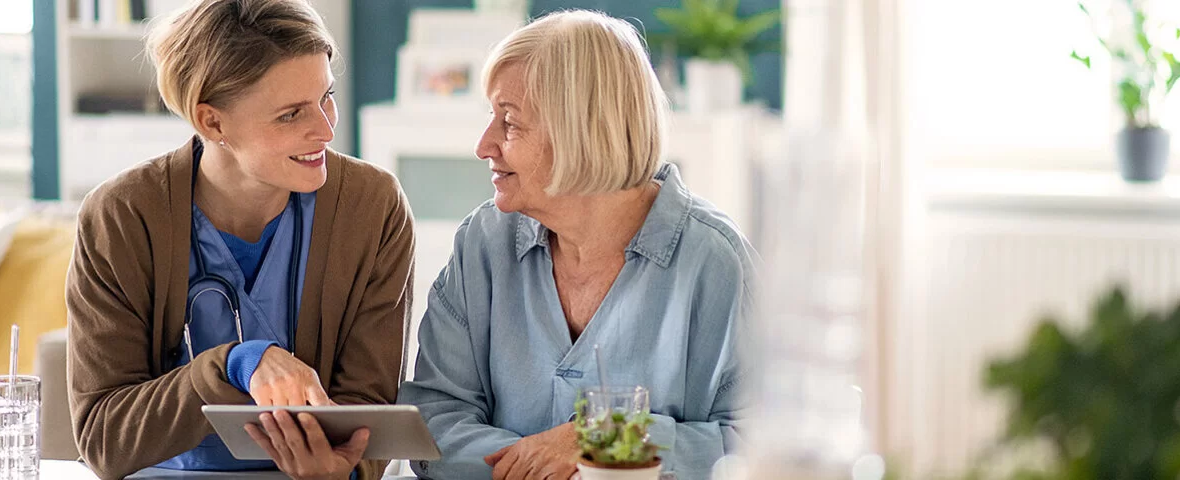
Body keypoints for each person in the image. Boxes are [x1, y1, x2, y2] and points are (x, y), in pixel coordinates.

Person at [397, 10, 756, 480]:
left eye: (509, 122)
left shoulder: (716, 263)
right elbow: (434, 422)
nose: (484, 145)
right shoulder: (482, 243)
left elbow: (763, 445)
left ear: (580, 131)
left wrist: (605, 438)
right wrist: (546, 461)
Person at [64, 0, 414, 478]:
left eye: (326, 97)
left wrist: (341, 470)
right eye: (291, 115)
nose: (326, 129)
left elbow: (368, 415)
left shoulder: (372, 208)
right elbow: (104, 437)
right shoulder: (122, 217)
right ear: (212, 122)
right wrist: (234, 364)